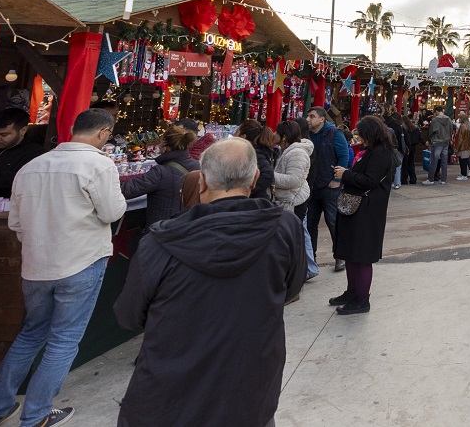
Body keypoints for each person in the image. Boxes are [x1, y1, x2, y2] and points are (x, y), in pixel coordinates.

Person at [114, 138, 305, 427]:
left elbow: (129, 315)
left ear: (200, 182)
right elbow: (292, 288)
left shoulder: (159, 242)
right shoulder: (285, 227)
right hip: (252, 381)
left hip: (170, 390)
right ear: (254, 179)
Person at [0, 108, 125, 427]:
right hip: (81, 262)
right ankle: (37, 415)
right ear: (103, 133)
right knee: (63, 340)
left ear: (73, 129)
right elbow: (112, 212)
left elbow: (16, 222)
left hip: (36, 266)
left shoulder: (33, 165)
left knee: (30, 335)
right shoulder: (99, 164)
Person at [329, 114, 396, 314]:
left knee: (362, 256)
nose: (359, 138)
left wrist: (345, 174)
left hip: (367, 212)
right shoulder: (372, 151)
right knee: (351, 253)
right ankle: (352, 292)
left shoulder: (381, 154)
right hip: (357, 209)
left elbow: (370, 180)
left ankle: (362, 300)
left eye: (362, 134)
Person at [120, 126, 199, 228]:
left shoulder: (160, 172)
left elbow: (125, 190)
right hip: (190, 227)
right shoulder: (198, 166)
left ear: (165, 147)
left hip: (163, 231)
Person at [304, 106, 352, 272]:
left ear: (322, 119)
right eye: (307, 116)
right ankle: (311, 258)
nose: (308, 119)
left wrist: (336, 179)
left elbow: (344, 156)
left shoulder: (334, 133)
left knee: (333, 222)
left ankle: (340, 256)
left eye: (312, 116)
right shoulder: (307, 134)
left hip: (330, 187)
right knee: (310, 223)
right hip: (312, 186)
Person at [0, 106, 42, 212]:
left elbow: (19, 180)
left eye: (3, 134)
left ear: (23, 130)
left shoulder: (36, 154)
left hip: (7, 214)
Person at [273, 119, 318, 280]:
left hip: (295, 199)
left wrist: (267, 175)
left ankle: (302, 271)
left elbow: (293, 180)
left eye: (277, 133)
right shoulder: (287, 151)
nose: (274, 135)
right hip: (290, 198)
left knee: (296, 237)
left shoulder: (297, 153)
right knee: (299, 234)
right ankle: (305, 270)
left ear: (284, 136)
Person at [425, 105, 452, 187]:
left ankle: (431, 179)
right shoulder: (449, 119)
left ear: (436, 111)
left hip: (437, 142)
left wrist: (429, 140)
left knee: (434, 161)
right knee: (444, 162)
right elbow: (451, 130)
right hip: (446, 141)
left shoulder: (435, 120)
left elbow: (431, 131)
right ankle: (443, 179)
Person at [453, 108, 470, 180]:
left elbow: (460, 139)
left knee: (462, 161)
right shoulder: (468, 125)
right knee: (465, 160)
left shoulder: (462, 127)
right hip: (467, 146)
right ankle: (464, 173)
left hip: (463, 146)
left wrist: (457, 147)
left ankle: (464, 175)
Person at [386, 111, 407, 189]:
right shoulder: (400, 127)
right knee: (398, 166)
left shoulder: (388, 128)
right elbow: (404, 138)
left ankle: (392, 182)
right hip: (398, 148)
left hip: (390, 148)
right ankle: (397, 183)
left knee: (390, 165)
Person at [400, 111, 421, 186]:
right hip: (413, 147)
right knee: (411, 163)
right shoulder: (415, 129)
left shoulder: (403, 129)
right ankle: (413, 179)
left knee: (405, 164)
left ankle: (404, 179)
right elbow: (419, 137)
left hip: (406, 147)